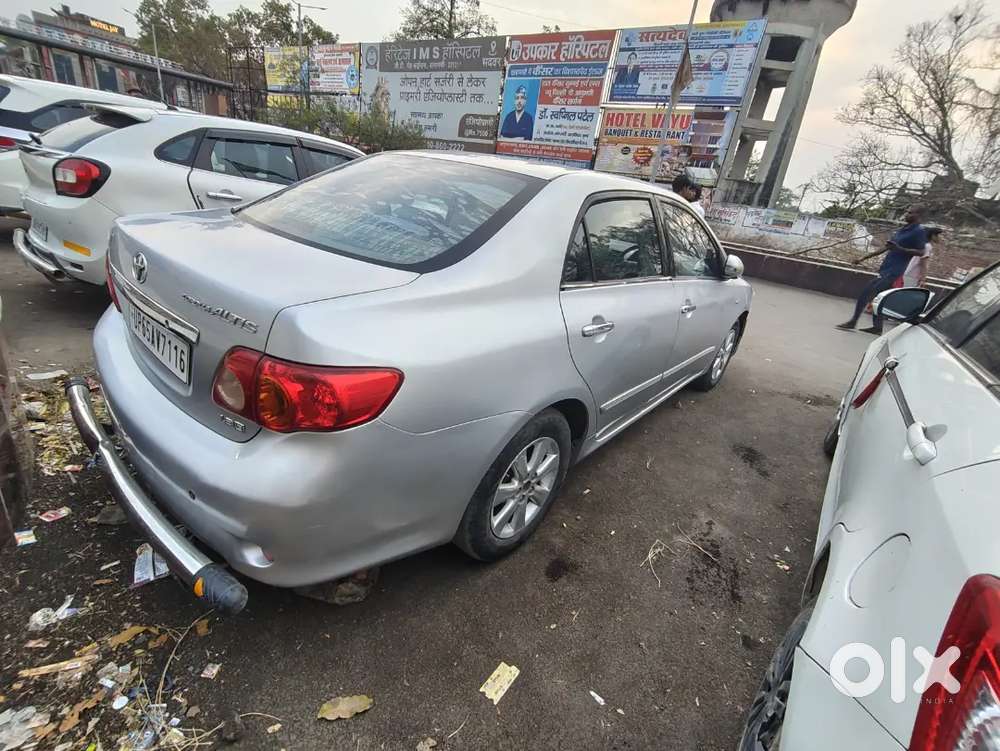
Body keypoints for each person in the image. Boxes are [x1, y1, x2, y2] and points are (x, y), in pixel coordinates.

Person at [837, 206, 928, 334]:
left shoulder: (918, 231)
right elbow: (887, 247)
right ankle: (877, 327)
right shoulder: (903, 229)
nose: (906, 214)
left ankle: (853, 321)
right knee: (880, 298)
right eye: (906, 212)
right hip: (886, 267)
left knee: (867, 293)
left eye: (910, 213)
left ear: (918, 215)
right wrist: (863, 258)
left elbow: (921, 252)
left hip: (894, 270)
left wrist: (901, 249)